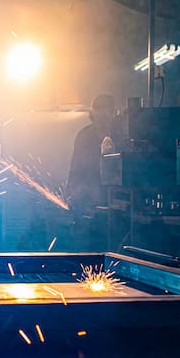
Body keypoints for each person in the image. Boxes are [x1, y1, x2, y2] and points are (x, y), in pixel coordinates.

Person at [65, 93, 120, 249]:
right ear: (93, 115)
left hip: (114, 199)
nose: (102, 124)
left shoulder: (121, 135)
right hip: (88, 198)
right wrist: (71, 191)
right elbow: (76, 167)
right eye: (99, 119)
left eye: (105, 119)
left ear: (113, 114)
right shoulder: (84, 136)